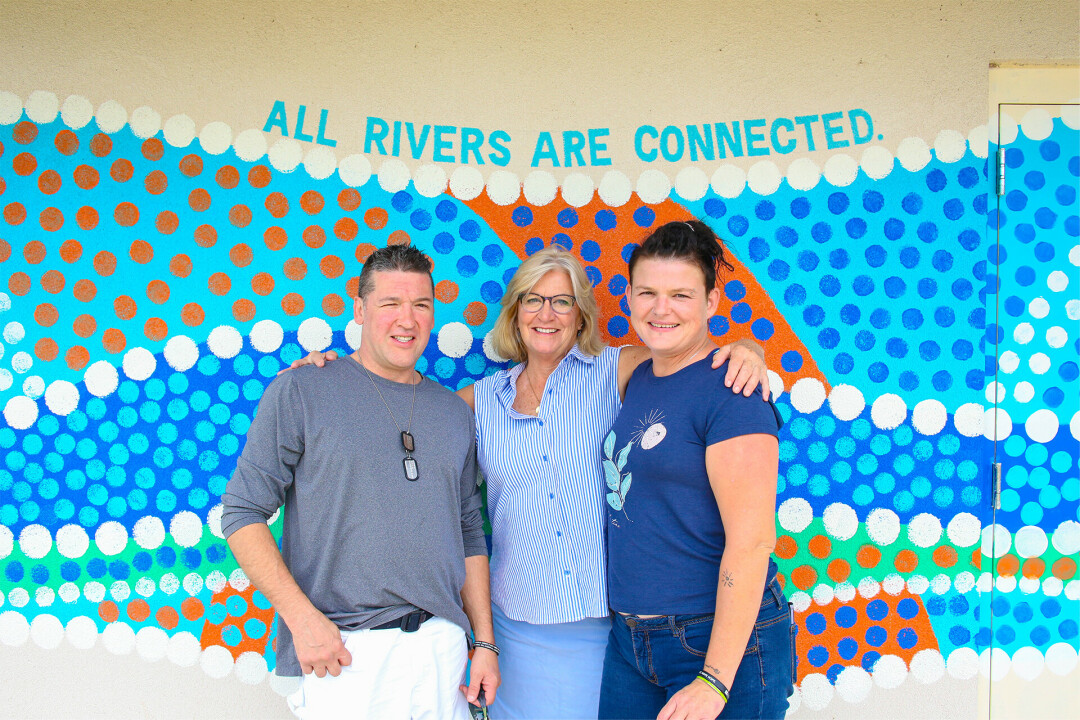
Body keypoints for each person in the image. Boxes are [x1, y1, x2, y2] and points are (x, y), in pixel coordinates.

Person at [290, 245, 771, 719]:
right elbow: (399, 425)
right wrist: (328, 378)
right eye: (533, 300)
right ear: (515, 313)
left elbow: (687, 357)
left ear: (581, 314)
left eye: (562, 301)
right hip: (512, 630)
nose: (547, 313)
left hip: (605, 630)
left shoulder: (618, 370)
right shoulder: (478, 402)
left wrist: (747, 350)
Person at [221, 243, 499, 720]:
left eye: (421, 304)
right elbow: (241, 512)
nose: (406, 319)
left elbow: (469, 530)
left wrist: (484, 643)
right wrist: (301, 619)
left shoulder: (453, 412)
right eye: (391, 303)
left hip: (444, 652)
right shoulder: (303, 390)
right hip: (344, 652)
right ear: (361, 309)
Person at [599, 220, 794, 720]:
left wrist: (714, 679)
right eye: (647, 292)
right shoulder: (636, 375)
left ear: (711, 302)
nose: (660, 309)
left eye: (681, 294)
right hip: (630, 639)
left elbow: (752, 543)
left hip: (714, 643)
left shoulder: (733, 392)